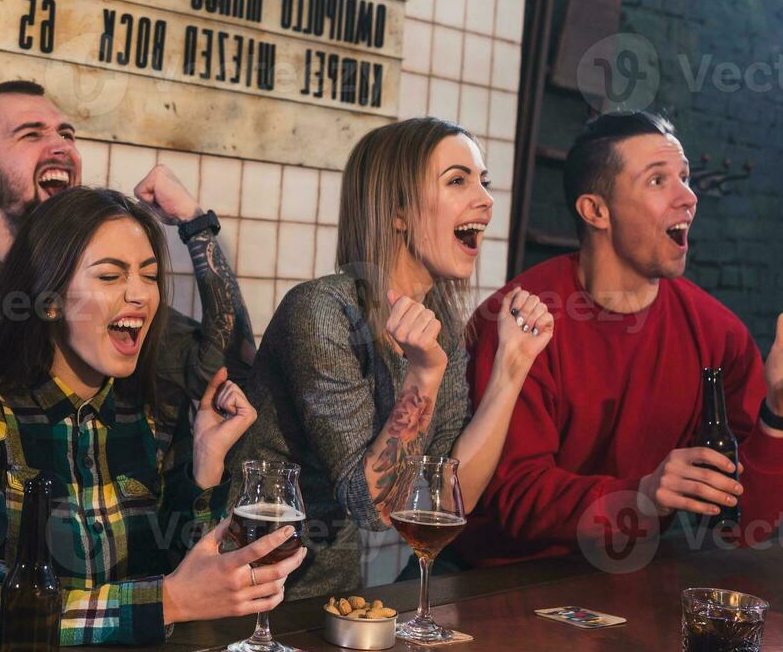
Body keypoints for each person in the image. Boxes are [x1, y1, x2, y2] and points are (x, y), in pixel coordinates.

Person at [462, 111, 783, 566]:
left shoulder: (716, 333)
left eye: (685, 177)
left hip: (628, 576)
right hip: (499, 579)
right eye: (658, 181)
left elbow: (743, 525)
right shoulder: (519, 318)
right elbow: (516, 496)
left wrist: (781, 412)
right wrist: (640, 497)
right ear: (596, 210)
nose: (689, 196)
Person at [0, 187, 304, 651]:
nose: (138, 295)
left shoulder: (152, 413)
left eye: (149, 277)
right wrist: (164, 602)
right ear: (48, 301)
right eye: (110, 276)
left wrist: (206, 466)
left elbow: (190, 574)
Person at [234, 118, 556, 597]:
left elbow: (446, 497)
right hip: (248, 594)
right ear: (398, 211)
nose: (486, 200)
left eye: (483, 182)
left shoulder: (440, 328)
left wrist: (512, 368)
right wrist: (423, 375)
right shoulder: (322, 313)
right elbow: (372, 507)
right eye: (458, 180)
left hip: (333, 596)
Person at [0, 81, 254, 405]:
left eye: (67, 134)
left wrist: (195, 224)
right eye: (31, 134)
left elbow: (227, 372)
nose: (62, 147)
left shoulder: (103, 291)